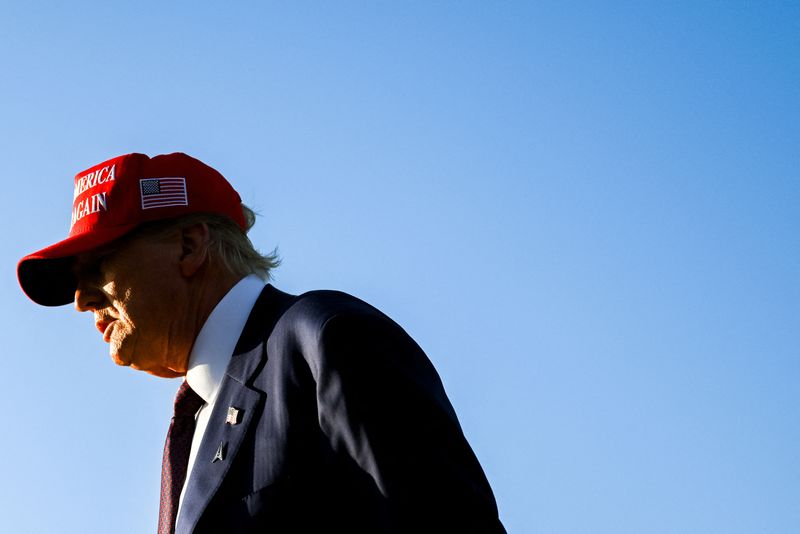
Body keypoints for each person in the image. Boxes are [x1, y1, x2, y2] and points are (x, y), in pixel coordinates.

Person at [17, 152, 505, 533]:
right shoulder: (196, 417)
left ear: (189, 245)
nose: (80, 301)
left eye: (97, 267)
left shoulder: (325, 341)